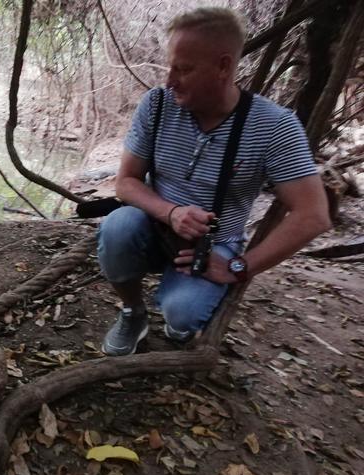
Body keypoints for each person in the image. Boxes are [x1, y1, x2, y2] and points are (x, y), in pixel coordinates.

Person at [97, 7, 331, 356]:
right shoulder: (158, 105)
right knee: (117, 228)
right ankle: (133, 312)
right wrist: (171, 212)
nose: (170, 80)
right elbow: (126, 182)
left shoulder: (274, 127)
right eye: (170, 66)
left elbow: (313, 215)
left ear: (223, 67)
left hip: (213, 245)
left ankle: (180, 323)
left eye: (184, 69)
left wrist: (240, 267)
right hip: (153, 226)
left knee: (183, 312)